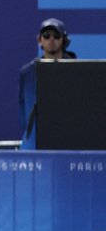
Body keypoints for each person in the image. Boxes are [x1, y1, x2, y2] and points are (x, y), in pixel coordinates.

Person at [19, 17, 76, 148]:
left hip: (68, 141)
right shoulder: (28, 73)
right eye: (46, 35)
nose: (51, 39)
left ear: (64, 40)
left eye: (56, 36)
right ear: (39, 40)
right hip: (35, 143)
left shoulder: (76, 69)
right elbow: (23, 110)